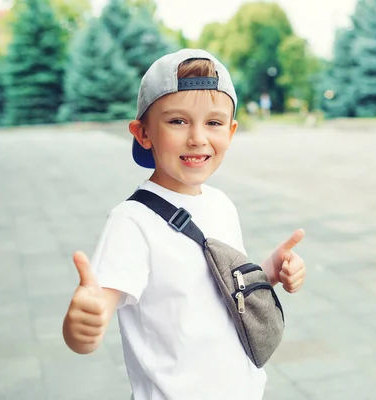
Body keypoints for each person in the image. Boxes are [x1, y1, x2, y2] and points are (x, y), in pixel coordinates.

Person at [62, 49, 307, 400]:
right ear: (143, 134)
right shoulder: (132, 222)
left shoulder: (220, 203)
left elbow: (222, 283)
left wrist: (271, 270)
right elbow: (99, 304)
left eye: (214, 122)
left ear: (232, 131)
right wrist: (82, 323)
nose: (197, 138)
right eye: (177, 121)